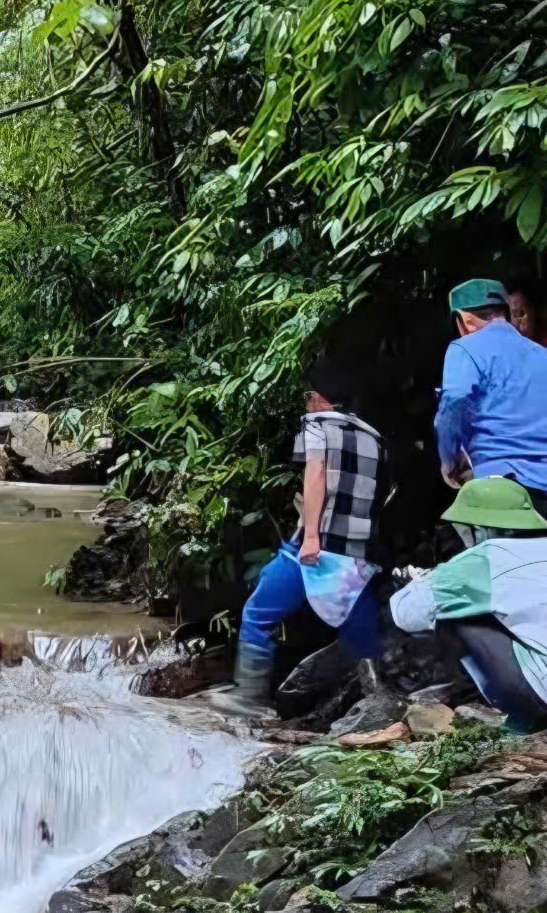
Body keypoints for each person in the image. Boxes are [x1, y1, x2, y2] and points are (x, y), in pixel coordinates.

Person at [206, 361, 385, 718]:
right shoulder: (374, 437)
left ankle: (249, 699)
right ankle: (377, 703)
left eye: (307, 397)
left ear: (319, 399)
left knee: (259, 612)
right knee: (361, 633)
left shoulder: (316, 424)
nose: (306, 404)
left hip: (317, 548)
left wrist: (312, 537)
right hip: (357, 554)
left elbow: (316, 473)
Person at [390, 477, 547, 732]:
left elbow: (405, 613)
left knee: (454, 616)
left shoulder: (484, 556)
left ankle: (523, 723)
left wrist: (427, 580)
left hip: (541, 698)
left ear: (479, 527)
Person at [435, 276, 547, 516]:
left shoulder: (464, 348)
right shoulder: (541, 354)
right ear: (505, 313)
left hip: (502, 489)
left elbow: (456, 401)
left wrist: (451, 461)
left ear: (462, 320)